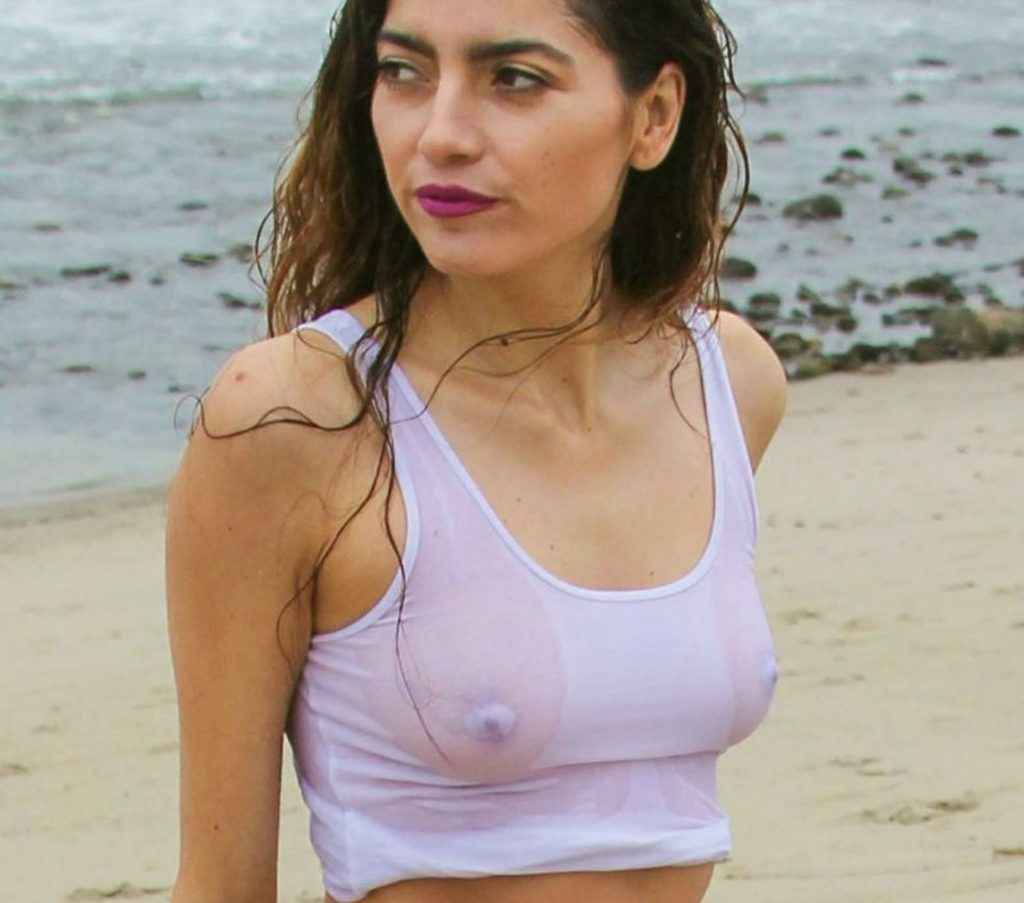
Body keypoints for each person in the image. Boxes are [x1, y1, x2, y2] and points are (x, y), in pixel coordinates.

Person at [164, 1, 788, 901]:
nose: (442, 134)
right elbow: (220, 886)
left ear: (653, 116)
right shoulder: (294, 418)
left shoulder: (726, 381)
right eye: (403, 72)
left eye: (515, 80)